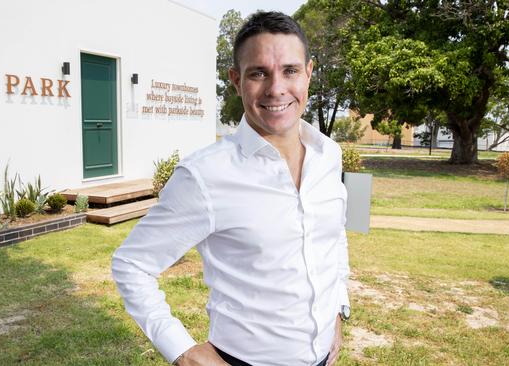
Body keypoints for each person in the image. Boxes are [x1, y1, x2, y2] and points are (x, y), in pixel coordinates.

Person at [112, 11, 350, 366]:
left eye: (290, 70)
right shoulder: (205, 175)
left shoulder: (329, 155)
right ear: (236, 80)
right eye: (259, 73)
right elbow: (131, 264)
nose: (276, 88)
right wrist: (183, 351)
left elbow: (332, 239)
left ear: (309, 74)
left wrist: (336, 310)